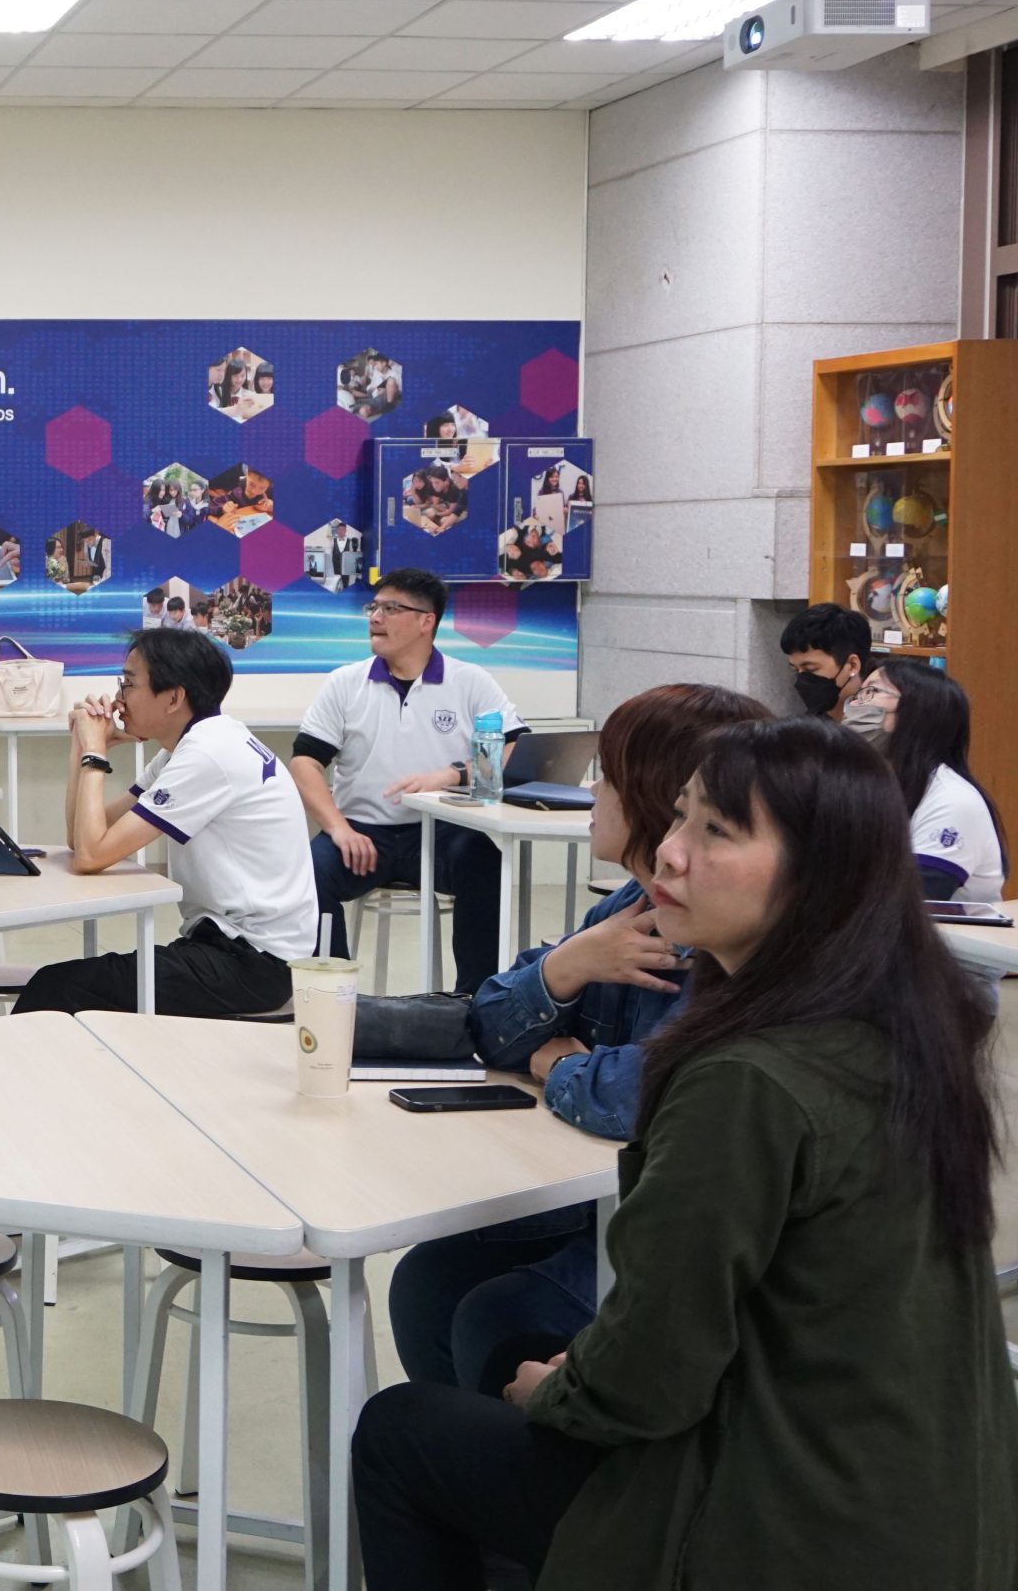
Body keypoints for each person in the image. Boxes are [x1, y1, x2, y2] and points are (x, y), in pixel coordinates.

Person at [353, 716, 1018, 1590]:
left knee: (401, 1431)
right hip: (924, 1498)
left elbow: (650, 1379)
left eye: (716, 831)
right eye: (678, 817)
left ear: (818, 875)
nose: (670, 851)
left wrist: (552, 1390)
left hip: (784, 1520)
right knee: (472, 1310)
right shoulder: (904, 1027)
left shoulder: (746, 1076)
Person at [387, 683, 770, 1399]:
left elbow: (640, 1097)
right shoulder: (628, 907)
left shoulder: (725, 947)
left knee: (497, 1317)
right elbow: (489, 1024)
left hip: (673, 1226)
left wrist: (558, 1063)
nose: (592, 792)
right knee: (426, 1281)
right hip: (598, 1197)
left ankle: (528, 1455)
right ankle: (475, 1452)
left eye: (609, 778)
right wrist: (568, 965)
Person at [12, 628, 318, 1018]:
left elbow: (90, 855)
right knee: (66, 983)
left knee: (57, 986)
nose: (118, 699)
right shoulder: (192, 746)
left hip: (253, 963)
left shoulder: (207, 755)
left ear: (173, 698)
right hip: (233, 947)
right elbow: (83, 836)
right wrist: (83, 747)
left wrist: (95, 751)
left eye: (128, 684)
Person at [289, 569, 524, 994]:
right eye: (374, 607)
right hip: (361, 833)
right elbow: (305, 762)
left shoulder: (469, 681)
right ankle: (333, 998)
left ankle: (475, 1000)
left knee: (484, 861)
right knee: (307, 874)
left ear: (426, 621)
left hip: (444, 830)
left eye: (391, 608)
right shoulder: (345, 683)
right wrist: (338, 829)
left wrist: (454, 774)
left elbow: (512, 747)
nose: (375, 617)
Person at [846, 659, 1007, 903]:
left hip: (940, 927)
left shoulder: (952, 799)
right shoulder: (874, 786)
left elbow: (912, 902)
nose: (856, 704)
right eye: (859, 693)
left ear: (918, 712)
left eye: (872, 691)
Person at [778, 601, 869, 720]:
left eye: (811, 669)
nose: (802, 680)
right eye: (795, 670)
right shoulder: (806, 726)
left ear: (852, 665)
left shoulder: (880, 724)